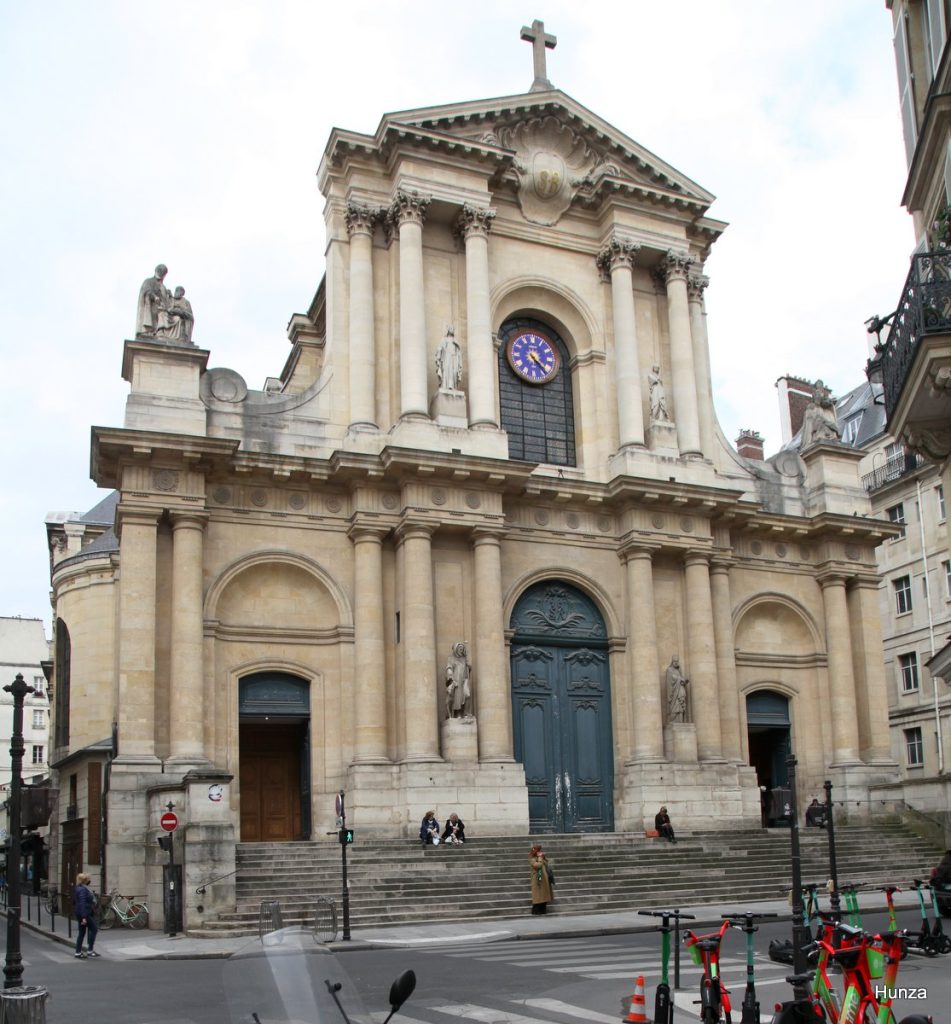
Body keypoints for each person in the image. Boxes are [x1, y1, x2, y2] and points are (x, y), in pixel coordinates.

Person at [135, 264, 171, 337]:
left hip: (162, 308)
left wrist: (169, 295)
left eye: (163, 272)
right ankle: (149, 331)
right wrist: (154, 297)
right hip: (152, 306)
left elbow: (166, 300)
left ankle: (161, 332)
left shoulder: (163, 286)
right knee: (161, 314)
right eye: (160, 271)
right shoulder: (148, 281)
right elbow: (146, 291)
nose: (162, 273)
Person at [72, 871, 100, 958]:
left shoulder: (78, 888)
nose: (89, 881)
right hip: (85, 913)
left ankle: (78, 952)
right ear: (84, 881)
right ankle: (90, 950)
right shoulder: (83, 890)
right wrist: (84, 917)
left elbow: (74, 902)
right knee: (94, 929)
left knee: (82, 932)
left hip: (80, 913)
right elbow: (82, 903)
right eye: (88, 879)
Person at [445, 641, 473, 719]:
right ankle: (458, 714)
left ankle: (466, 712)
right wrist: (449, 673)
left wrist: (469, 665)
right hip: (456, 681)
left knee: (467, 695)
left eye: (462, 648)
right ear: (456, 649)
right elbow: (449, 667)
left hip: (464, 680)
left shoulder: (465, 659)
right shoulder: (451, 658)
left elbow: (469, 668)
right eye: (460, 648)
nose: (461, 650)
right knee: (457, 699)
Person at [529, 844, 553, 914]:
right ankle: (536, 910)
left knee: (544, 893)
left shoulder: (540, 857)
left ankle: (543, 909)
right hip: (538, 876)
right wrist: (540, 858)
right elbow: (538, 866)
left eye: (540, 849)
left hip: (544, 877)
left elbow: (545, 863)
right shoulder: (532, 858)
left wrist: (544, 858)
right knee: (538, 893)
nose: (539, 851)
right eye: (538, 850)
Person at [666, 656, 689, 723]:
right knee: (675, 706)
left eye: (677, 662)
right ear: (672, 662)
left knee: (681, 707)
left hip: (680, 690)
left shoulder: (677, 671)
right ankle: (673, 720)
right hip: (674, 692)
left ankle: (681, 721)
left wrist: (684, 680)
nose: (676, 663)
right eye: (674, 662)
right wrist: (680, 679)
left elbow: (679, 678)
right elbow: (672, 678)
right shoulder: (669, 670)